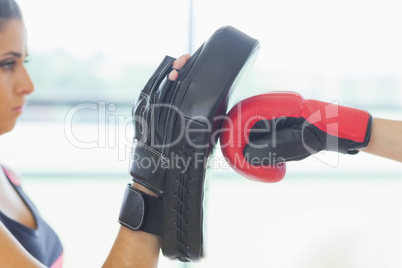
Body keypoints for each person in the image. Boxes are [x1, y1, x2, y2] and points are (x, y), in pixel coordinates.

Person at [0, 0, 191, 266]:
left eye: (25, 61)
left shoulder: (9, 176)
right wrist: (150, 174)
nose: (28, 85)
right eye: (7, 64)